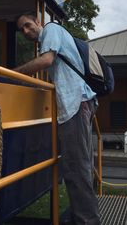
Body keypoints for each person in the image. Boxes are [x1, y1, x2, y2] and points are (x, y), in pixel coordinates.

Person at [15, 14, 101, 225]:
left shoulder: (51, 29)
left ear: (38, 21)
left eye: (27, 25)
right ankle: (83, 216)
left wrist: (12, 74)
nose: (26, 31)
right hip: (80, 103)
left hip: (75, 105)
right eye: (21, 30)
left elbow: (46, 60)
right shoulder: (52, 36)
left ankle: (87, 221)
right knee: (81, 166)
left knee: (76, 169)